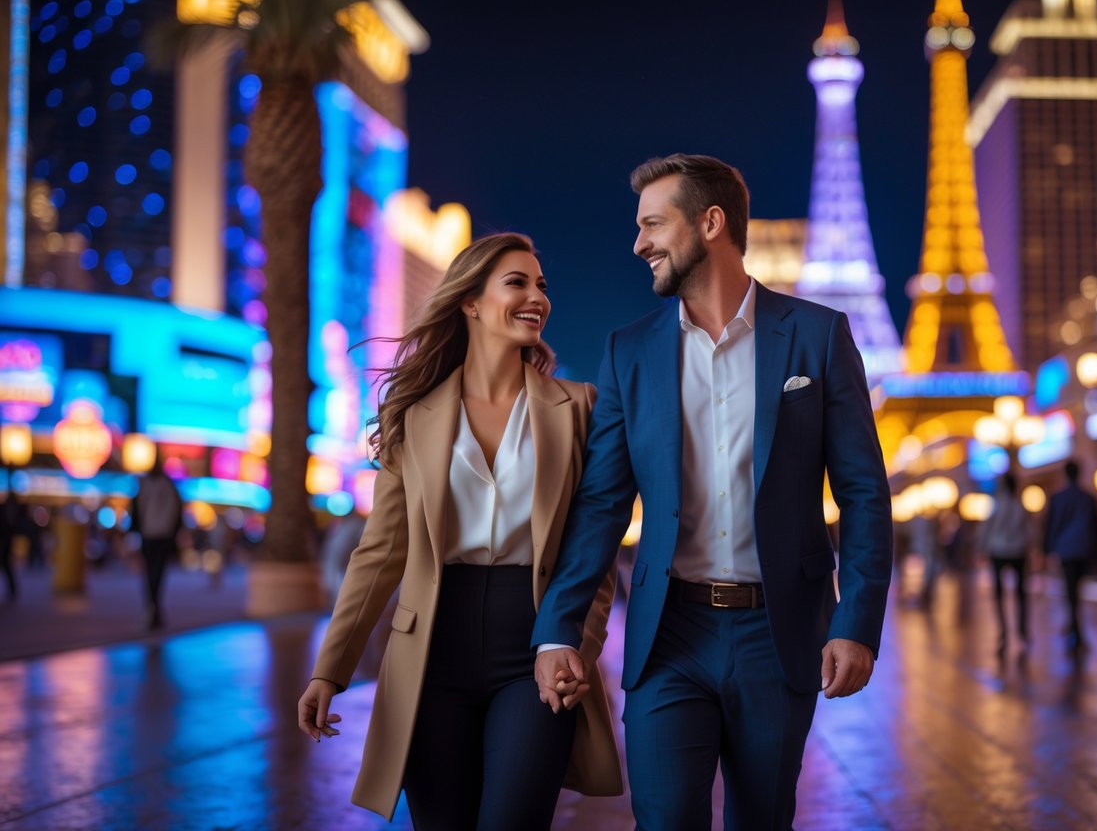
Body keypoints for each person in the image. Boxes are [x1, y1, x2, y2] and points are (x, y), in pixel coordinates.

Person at [532, 154, 893, 829]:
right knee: (665, 817)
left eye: (652, 224)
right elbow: (602, 505)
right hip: (670, 632)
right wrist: (558, 628)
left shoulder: (816, 335)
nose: (638, 244)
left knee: (761, 818)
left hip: (778, 631)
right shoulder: (627, 352)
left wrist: (856, 622)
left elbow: (863, 493)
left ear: (710, 223)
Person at [296, 233, 622, 829]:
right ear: (469, 301)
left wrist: (577, 644)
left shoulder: (579, 408)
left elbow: (591, 551)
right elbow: (381, 553)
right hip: (428, 654)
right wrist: (329, 669)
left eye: (541, 285)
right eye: (517, 282)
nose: (537, 297)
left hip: (537, 646)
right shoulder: (414, 413)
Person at [1043, 460, 1097, 652]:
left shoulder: (1059, 498)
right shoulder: (1087, 498)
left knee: (1070, 591)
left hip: (1067, 550)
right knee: (1076, 590)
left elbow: (1053, 525)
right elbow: (1096, 526)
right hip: (1083, 549)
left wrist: (1048, 549)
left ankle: (1075, 629)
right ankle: (1076, 628)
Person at [976, 471, 1030, 655]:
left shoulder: (997, 505)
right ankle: (1022, 631)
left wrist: (981, 547)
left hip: (998, 551)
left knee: (999, 594)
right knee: (1021, 594)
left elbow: (986, 529)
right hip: (1018, 551)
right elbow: (1028, 530)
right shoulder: (1020, 505)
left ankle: (1003, 632)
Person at [129, 456, 183, 629]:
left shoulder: (144, 484)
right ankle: (154, 608)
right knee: (158, 572)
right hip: (163, 534)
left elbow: (136, 511)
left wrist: (135, 531)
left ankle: (151, 607)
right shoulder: (168, 485)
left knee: (150, 572)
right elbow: (176, 511)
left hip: (149, 534)